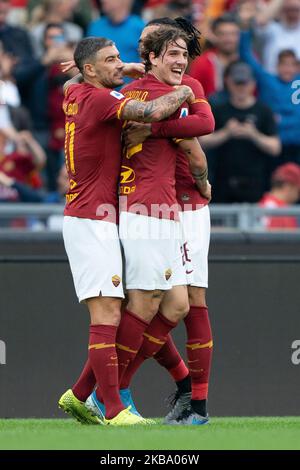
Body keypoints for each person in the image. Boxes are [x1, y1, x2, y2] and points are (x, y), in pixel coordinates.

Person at [57, 36, 195, 426]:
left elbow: (72, 82)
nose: (121, 64)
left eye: (121, 58)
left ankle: (80, 395)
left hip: (92, 217)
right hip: (90, 219)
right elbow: (151, 111)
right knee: (106, 313)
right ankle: (114, 409)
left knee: (116, 311)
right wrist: (185, 90)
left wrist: (124, 69)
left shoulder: (75, 92)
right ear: (89, 70)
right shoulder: (102, 100)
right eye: (111, 60)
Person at [201, 61, 281, 203]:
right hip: (223, 183)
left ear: (253, 84)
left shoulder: (263, 111)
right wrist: (226, 133)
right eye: (237, 83)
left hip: (256, 184)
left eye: (245, 83)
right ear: (228, 82)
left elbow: (275, 147)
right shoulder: (218, 109)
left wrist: (254, 134)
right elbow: (202, 142)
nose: (241, 87)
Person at [259, 162, 300, 229]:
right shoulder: (275, 210)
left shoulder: (273, 206)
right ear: (287, 186)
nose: (298, 197)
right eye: (299, 191)